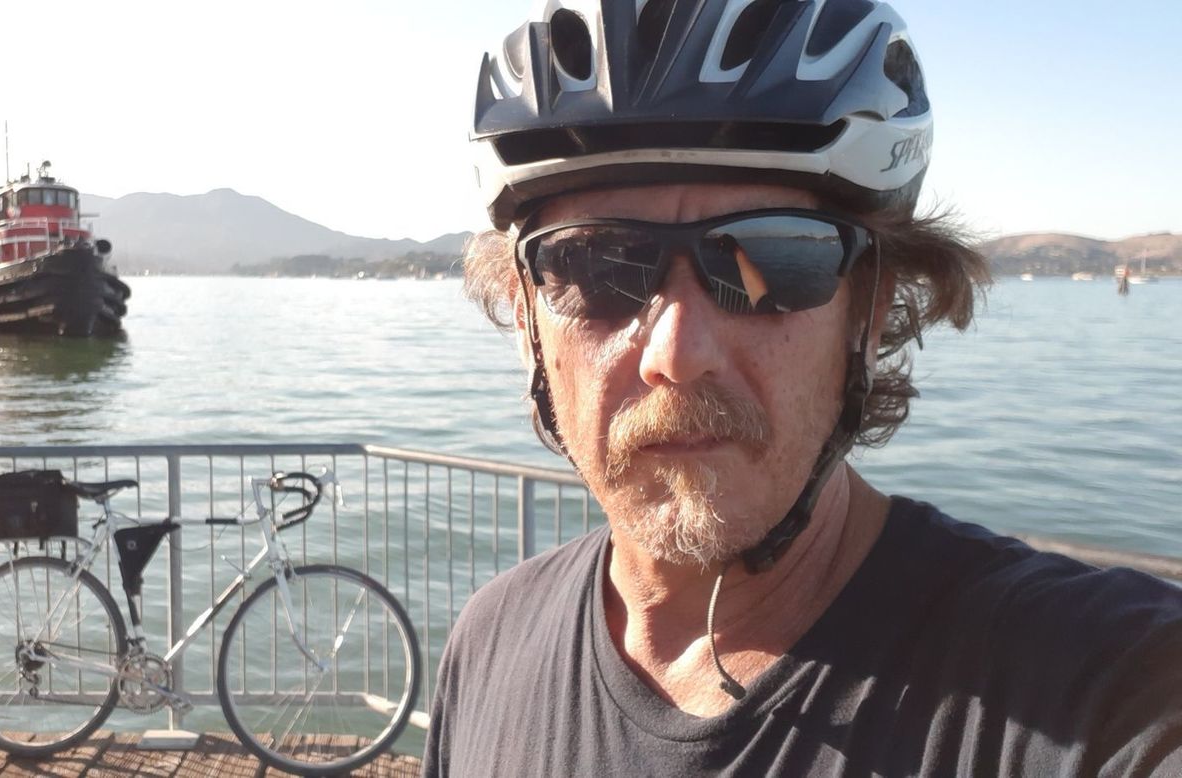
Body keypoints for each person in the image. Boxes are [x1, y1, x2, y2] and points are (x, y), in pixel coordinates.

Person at [424, 1, 1182, 775]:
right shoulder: (488, 642)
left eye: (772, 262)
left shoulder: (1103, 683)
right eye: (594, 266)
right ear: (527, 321)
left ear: (869, 312)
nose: (677, 354)